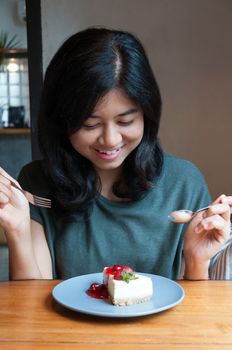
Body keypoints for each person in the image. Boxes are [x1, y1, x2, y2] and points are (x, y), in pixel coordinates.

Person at [0, 27, 231, 281]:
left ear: (147, 115)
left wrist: (197, 261)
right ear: (62, 120)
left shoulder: (184, 182)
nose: (110, 140)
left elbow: (193, 312)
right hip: (65, 323)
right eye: (90, 124)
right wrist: (18, 230)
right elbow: (31, 309)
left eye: (125, 121)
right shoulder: (38, 183)